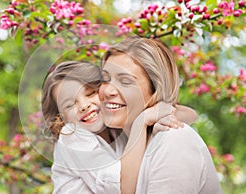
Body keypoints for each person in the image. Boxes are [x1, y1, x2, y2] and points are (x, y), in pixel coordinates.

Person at [41, 61, 196, 193]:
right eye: (69, 105)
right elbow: (122, 189)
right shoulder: (72, 135)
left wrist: (154, 113)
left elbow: (190, 115)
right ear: (61, 118)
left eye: (90, 93)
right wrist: (141, 121)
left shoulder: (115, 128)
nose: (83, 106)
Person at [99, 36, 222, 193]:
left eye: (125, 81)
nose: (108, 91)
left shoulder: (172, 140)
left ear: (156, 89)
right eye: (105, 79)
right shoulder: (117, 142)